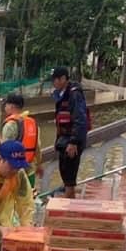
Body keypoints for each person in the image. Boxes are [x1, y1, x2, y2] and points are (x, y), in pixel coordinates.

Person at [51, 67, 90, 199]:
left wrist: (74, 142)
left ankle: (69, 196)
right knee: (63, 166)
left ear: (63, 79)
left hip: (72, 139)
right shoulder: (62, 94)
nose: (53, 83)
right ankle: (68, 192)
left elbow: (80, 119)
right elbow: (60, 120)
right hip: (64, 137)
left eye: (55, 80)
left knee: (70, 168)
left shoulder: (74, 94)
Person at [1, 93, 42, 189]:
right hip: (30, 170)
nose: (5, 107)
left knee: (11, 202)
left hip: (13, 173)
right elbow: (37, 148)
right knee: (27, 200)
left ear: (11, 106)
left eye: (6, 105)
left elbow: (5, 149)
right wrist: (39, 165)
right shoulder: (33, 124)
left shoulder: (10, 125)